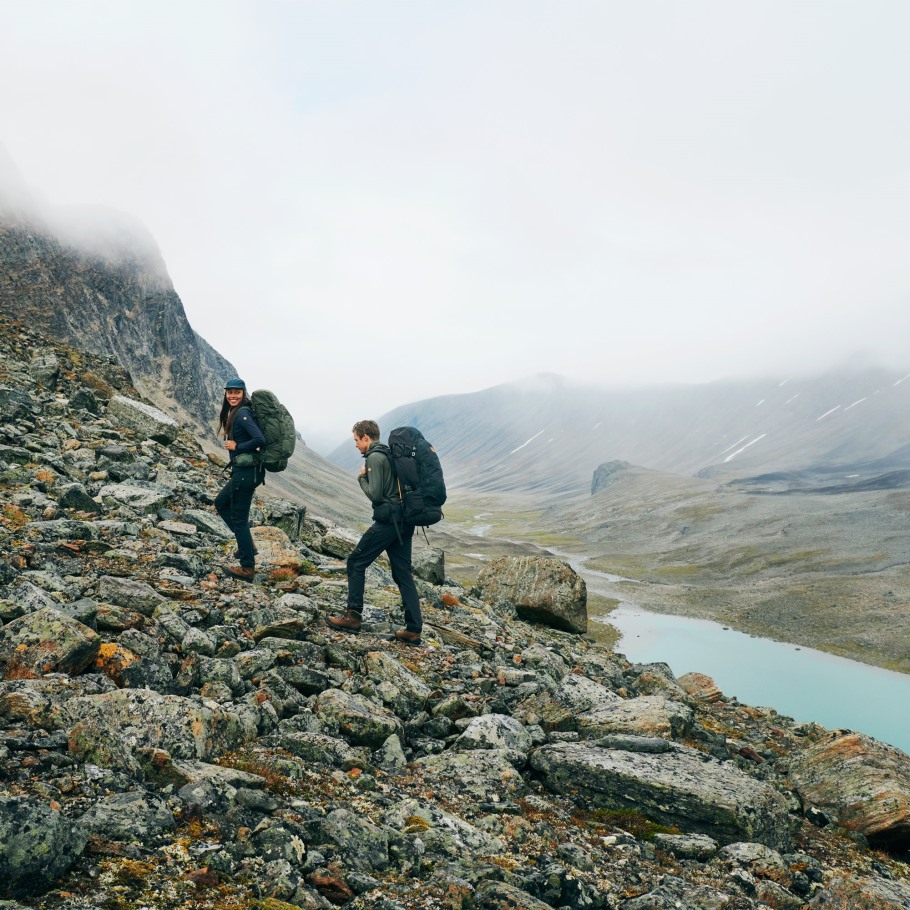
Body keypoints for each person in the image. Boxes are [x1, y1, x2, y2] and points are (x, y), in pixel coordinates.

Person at [326, 419, 423, 645]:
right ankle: (414, 629)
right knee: (403, 573)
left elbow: (376, 494)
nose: (356, 445)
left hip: (388, 522)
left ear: (366, 438)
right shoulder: (389, 454)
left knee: (355, 562)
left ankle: (353, 617)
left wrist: (362, 478)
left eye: (356, 440)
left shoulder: (374, 457)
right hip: (404, 521)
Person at [214, 377, 265, 582]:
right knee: (221, 503)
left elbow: (259, 439)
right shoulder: (236, 412)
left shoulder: (243, 414)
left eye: (237, 392)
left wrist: (237, 446)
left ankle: (247, 567)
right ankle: (248, 546)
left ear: (243, 393)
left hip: (246, 473)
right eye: (230, 392)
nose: (233, 395)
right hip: (245, 472)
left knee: (239, 519)